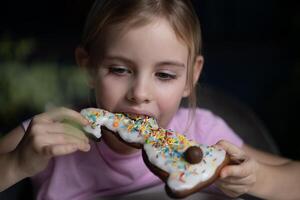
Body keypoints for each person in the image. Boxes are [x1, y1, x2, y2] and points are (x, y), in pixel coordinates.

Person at [0, 0, 299, 199]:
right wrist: (16, 163)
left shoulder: (204, 135)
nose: (140, 93)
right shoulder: (52, 134)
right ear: (87, 67)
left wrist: (259, 179)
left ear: (191, 77)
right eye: (119, 70)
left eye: (165, 75)